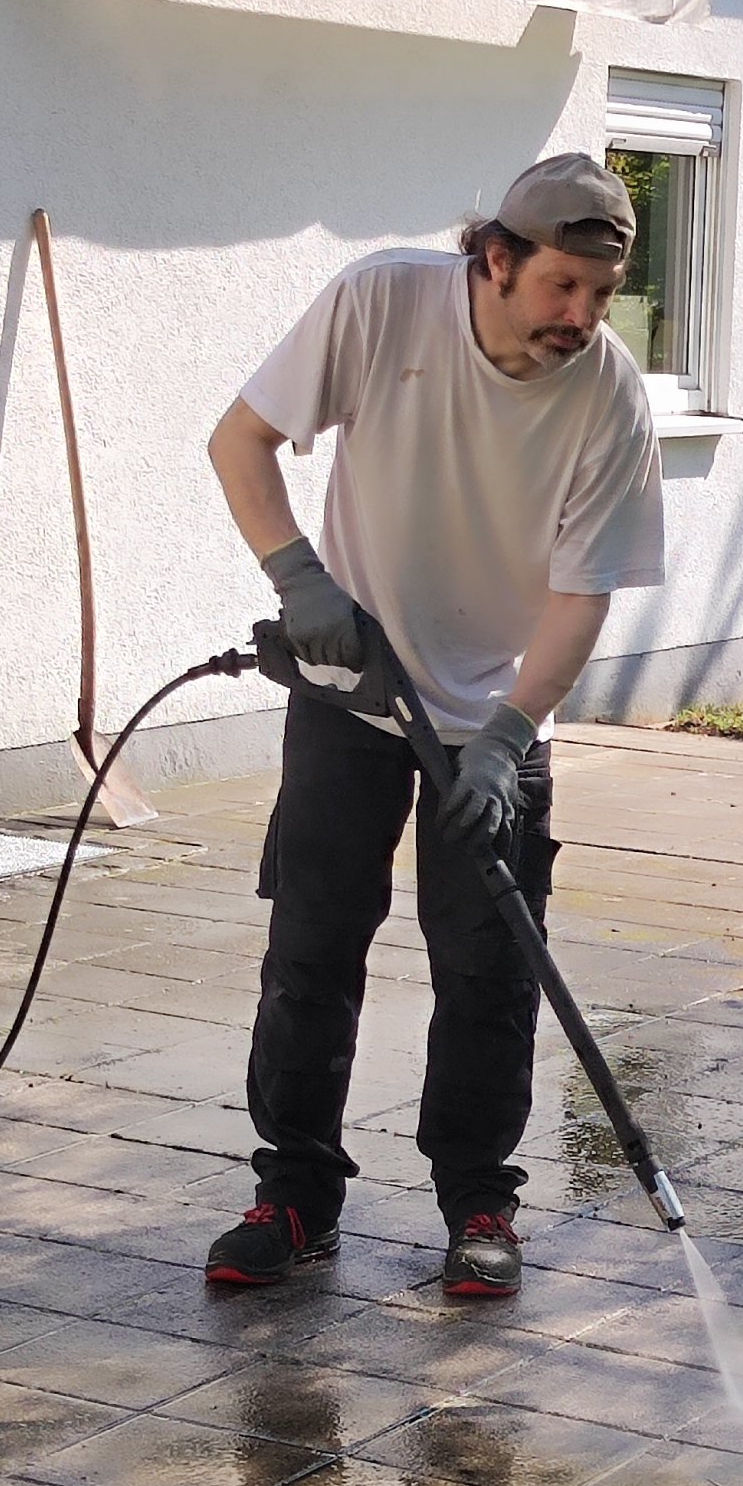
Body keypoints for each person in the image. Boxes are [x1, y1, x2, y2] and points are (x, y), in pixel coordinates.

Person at [202, 154, 664, 1300]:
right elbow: (240, 440)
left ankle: (478, 1204)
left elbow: (582, 594)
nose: (581, 318)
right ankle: (295, 1195)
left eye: (602, 295)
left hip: (497, 709)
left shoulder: (607, 394)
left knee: (492, 967)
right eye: (561, 286)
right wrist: (298, 576)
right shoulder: (381, 301)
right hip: (351, 690)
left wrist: (508, 736)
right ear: (494, 259)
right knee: (311, 945)